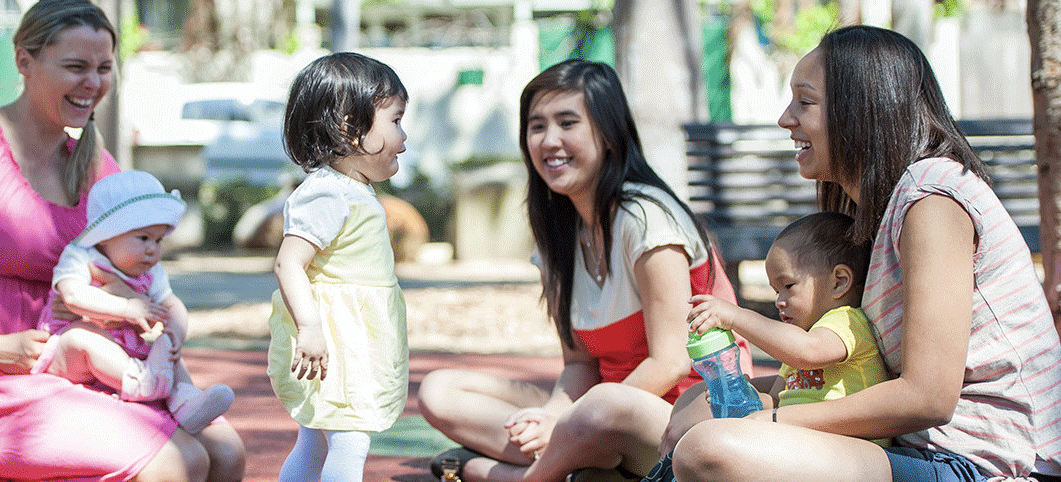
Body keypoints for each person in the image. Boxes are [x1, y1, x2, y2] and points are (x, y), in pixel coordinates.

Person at [0, 1, 245, 479]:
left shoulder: (95, 167)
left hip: (80, 360)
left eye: (104, 68)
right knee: (176, 460)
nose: (93, 83)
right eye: (76, 66)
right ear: (25, 61)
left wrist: (130, 300)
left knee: (226, 451)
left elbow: (135, 265)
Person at [662, 25, 1061, 481]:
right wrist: (734, 399)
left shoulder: (932, 200)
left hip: (982, 462)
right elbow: (832, 378)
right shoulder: (877, 207)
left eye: (804, 102)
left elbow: (928, 397)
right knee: (689, 419)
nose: (785, 119)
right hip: (913, 449)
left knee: (713, 451)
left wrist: (770, 423)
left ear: (861, 110)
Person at [417, 59, 744, 481]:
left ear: (608, 133)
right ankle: (571, 467)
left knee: (605, 406)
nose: (549, 140)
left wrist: (568, 424)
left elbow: (671, 362)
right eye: (537, 126)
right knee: (440, 391)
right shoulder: (557, 234)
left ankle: (520, 476)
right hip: (598, 418)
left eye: (567, 123)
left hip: (685, 420)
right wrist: (553, 416)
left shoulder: (647, 219)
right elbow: (578, 365)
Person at [266, 52, 410, 481]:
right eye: (395, 120)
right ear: (350, 129)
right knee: (349, 439)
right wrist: (309, 327)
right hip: (336, 342)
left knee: (314, 439)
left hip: (349, 341)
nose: (404, 135)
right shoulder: (328, 194)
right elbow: (288, 262)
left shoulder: (352, 190)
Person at [33, 170, 235, 434]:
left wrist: (175, 332)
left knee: (168, 350)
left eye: (158, 239)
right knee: (83, 337)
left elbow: (171, 303)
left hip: (125, 350)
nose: (153, 248)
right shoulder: (80, 256)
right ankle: (142, 383)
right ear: (107, 235)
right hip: (68, 351)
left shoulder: (151, 271)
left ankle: (186, 401)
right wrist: (126, 308)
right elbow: (72, 295)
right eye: (143, 238)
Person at [686, 211, 889, 446]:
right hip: (812, 447)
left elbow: (808, 351)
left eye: (788, 286)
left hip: (851, 450)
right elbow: (776, 401)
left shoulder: (847, 322)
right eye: (775, 291)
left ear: (839, 281)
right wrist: (738, 394)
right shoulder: (797, 346)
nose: (779, 301)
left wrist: (737, 316)